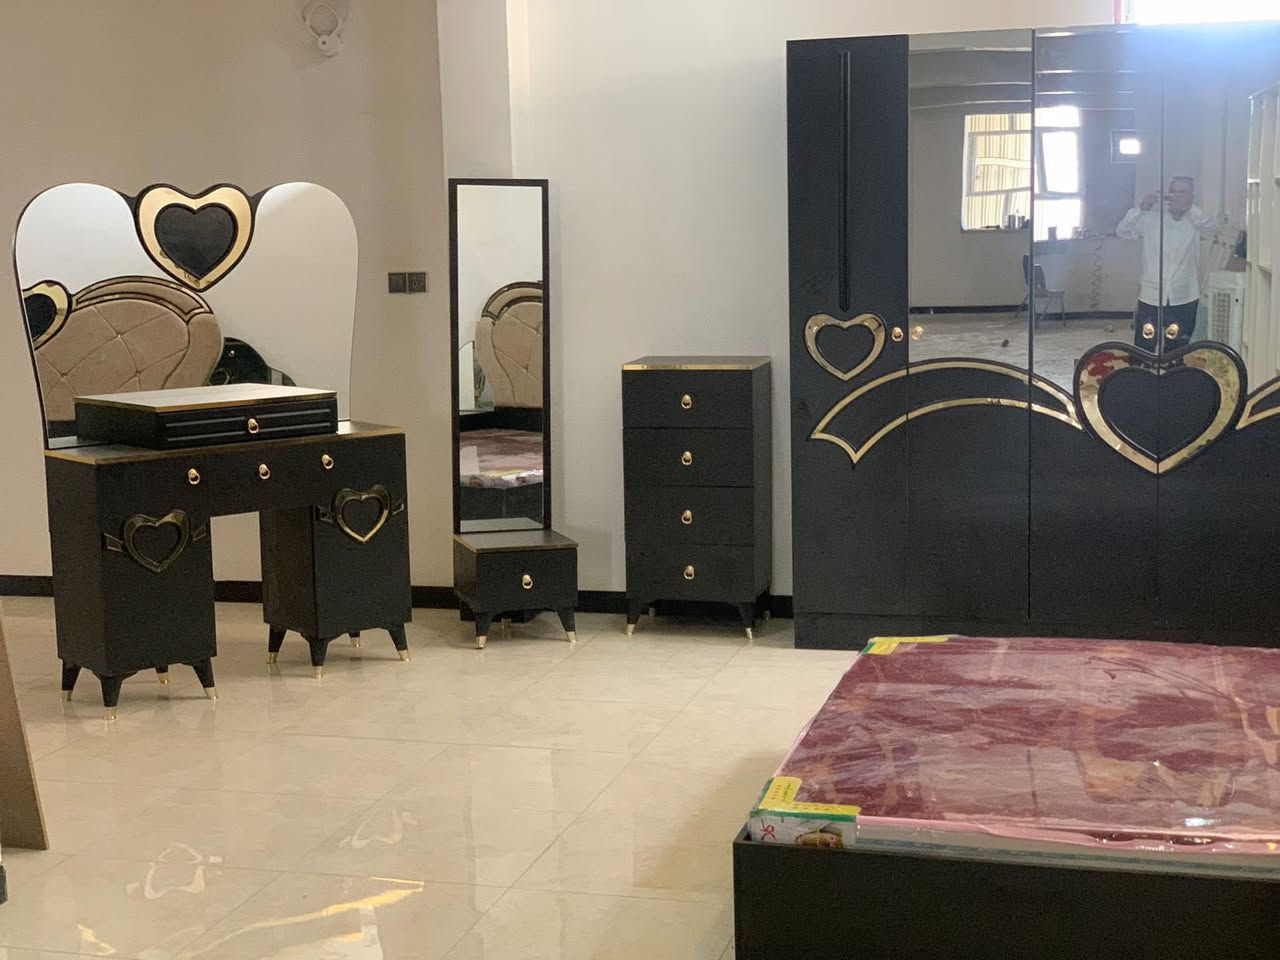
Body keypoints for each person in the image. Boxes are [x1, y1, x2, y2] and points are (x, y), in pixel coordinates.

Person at [1115, 176, 1217, 350]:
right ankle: (1142, 368)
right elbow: (1122, 231)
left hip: (1184, 296)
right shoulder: (1151, 219)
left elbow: (1212, 230)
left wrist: (1189, 209)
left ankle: (1174, 368)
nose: (1178, 196)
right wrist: (1141, 208)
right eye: (1174, 192)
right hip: (1151, 295)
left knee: (1178, 347)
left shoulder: (1196, 221)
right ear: (1167, 195)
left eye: (1183, 192)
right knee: (1144, 345)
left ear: (1191, 196)